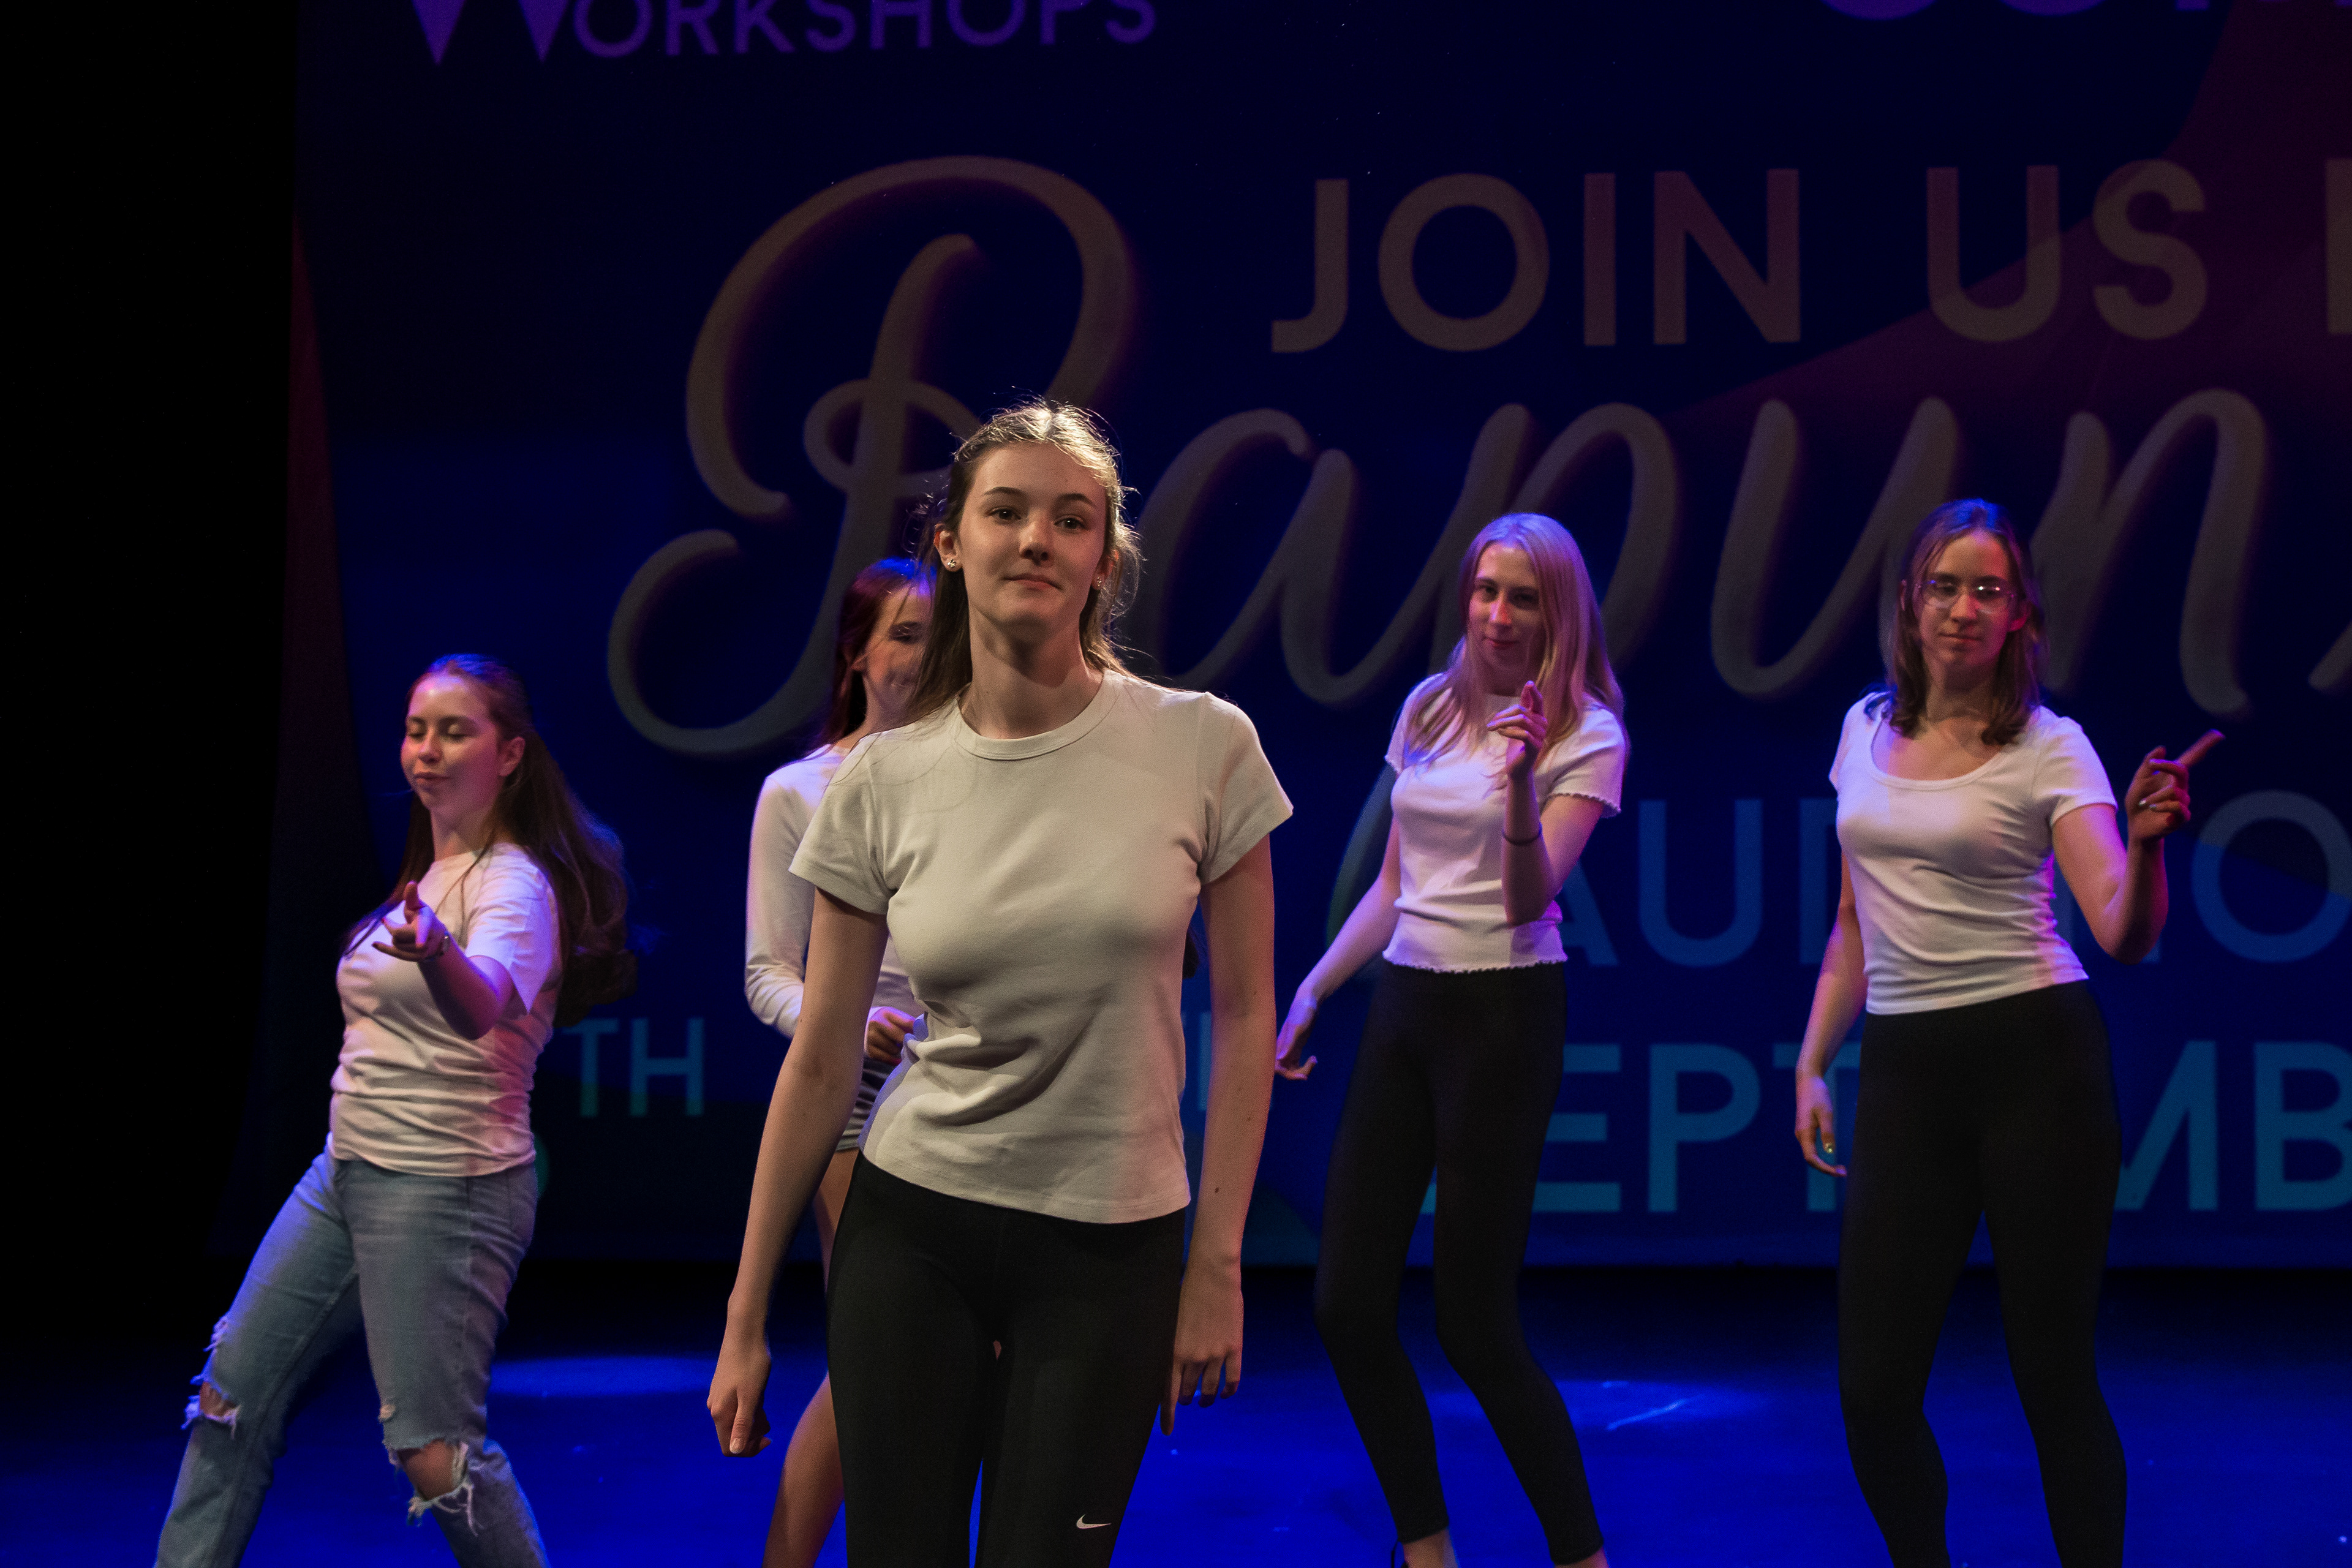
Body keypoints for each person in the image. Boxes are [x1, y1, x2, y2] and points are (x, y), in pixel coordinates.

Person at [708, 399, 1291, 1567]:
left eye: (1071, 520)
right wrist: (746, 1313)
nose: (1036, 540)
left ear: (1104, 559)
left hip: (1111, 1244)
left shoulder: (1204, 745)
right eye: (1007, 512)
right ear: (951, 542)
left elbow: (1243, 1018)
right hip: (914, 1230)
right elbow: (821, 1060)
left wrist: (1218, 1266)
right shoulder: (881, 782)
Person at [1790, 499, 2216, 1568]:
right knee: (1874, 1392)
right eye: (1944, 586)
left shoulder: (2049, 747)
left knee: (2053, 1376)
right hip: (1905, 1072)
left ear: (2021, 614)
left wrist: (2148, 847)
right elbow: (1851, 925)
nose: (1963, 608)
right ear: (1909, 603)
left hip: (2037, 1066)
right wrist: (1812, 1062)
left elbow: (2121, 930)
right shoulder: (1862, 729)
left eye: (1989, 590)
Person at [158, 654, 633, 1568]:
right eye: (416, 731)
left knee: (434, 1452)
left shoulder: (515, 885)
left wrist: (436, 954)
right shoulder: (432, 874)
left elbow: (481, 1004)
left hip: (445, 1186)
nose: (427, 749)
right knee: (230, 1399)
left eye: (455, 731)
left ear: (510, 754)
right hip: (345, 1171)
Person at [1279, 513, 1624, 1568]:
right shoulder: (1429, 706)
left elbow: (1526, 899)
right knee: (1346, 1304)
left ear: (1559, 616)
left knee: (1475, 1323)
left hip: (1503, 1015)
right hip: (1406, 1005)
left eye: (1524, 598)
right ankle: (1425, 1548)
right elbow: (1395, 880)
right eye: (1485, 590)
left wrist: (1519, 782)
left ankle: (1582, 1556)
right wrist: (1315, 988)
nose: (1498, 615)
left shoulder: (1586, 734)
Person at [743, 554, 932, 1567]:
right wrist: (843, 1020)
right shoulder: (800, 791)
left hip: (979, 1091)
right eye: (904, 634)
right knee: (875, 1352)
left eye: (939, 636)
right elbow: (767, 971)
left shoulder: (978, 772)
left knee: (942, 1357)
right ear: (856, 653)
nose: (924, 655)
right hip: (857, 1096)